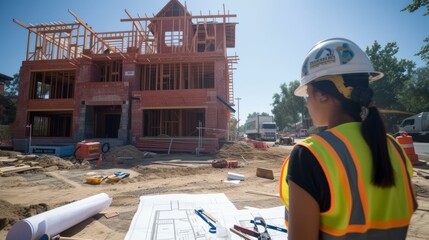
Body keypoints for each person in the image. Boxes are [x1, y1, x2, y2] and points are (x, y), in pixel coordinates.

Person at [279, 38, 417, 240]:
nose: (307, 103)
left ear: (323, 95)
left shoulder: (310, 155)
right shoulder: (394, 148)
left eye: (307, 94)